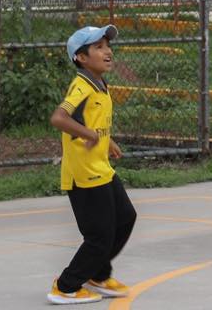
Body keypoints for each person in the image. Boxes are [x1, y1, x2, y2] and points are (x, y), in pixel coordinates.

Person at [47, 25, 135, 305]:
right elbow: (59, 118)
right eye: (98, 47)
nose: (107, 51)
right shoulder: (81, 85)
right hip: (83, 174)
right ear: (81, 58)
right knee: (99, 236)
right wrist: (88, 135)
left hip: (100, 168)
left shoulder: (99, 84)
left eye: (107, 45)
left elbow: (94, 122)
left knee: (125, 218)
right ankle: (66, 285)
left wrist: (107, 141)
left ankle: (97, 273)